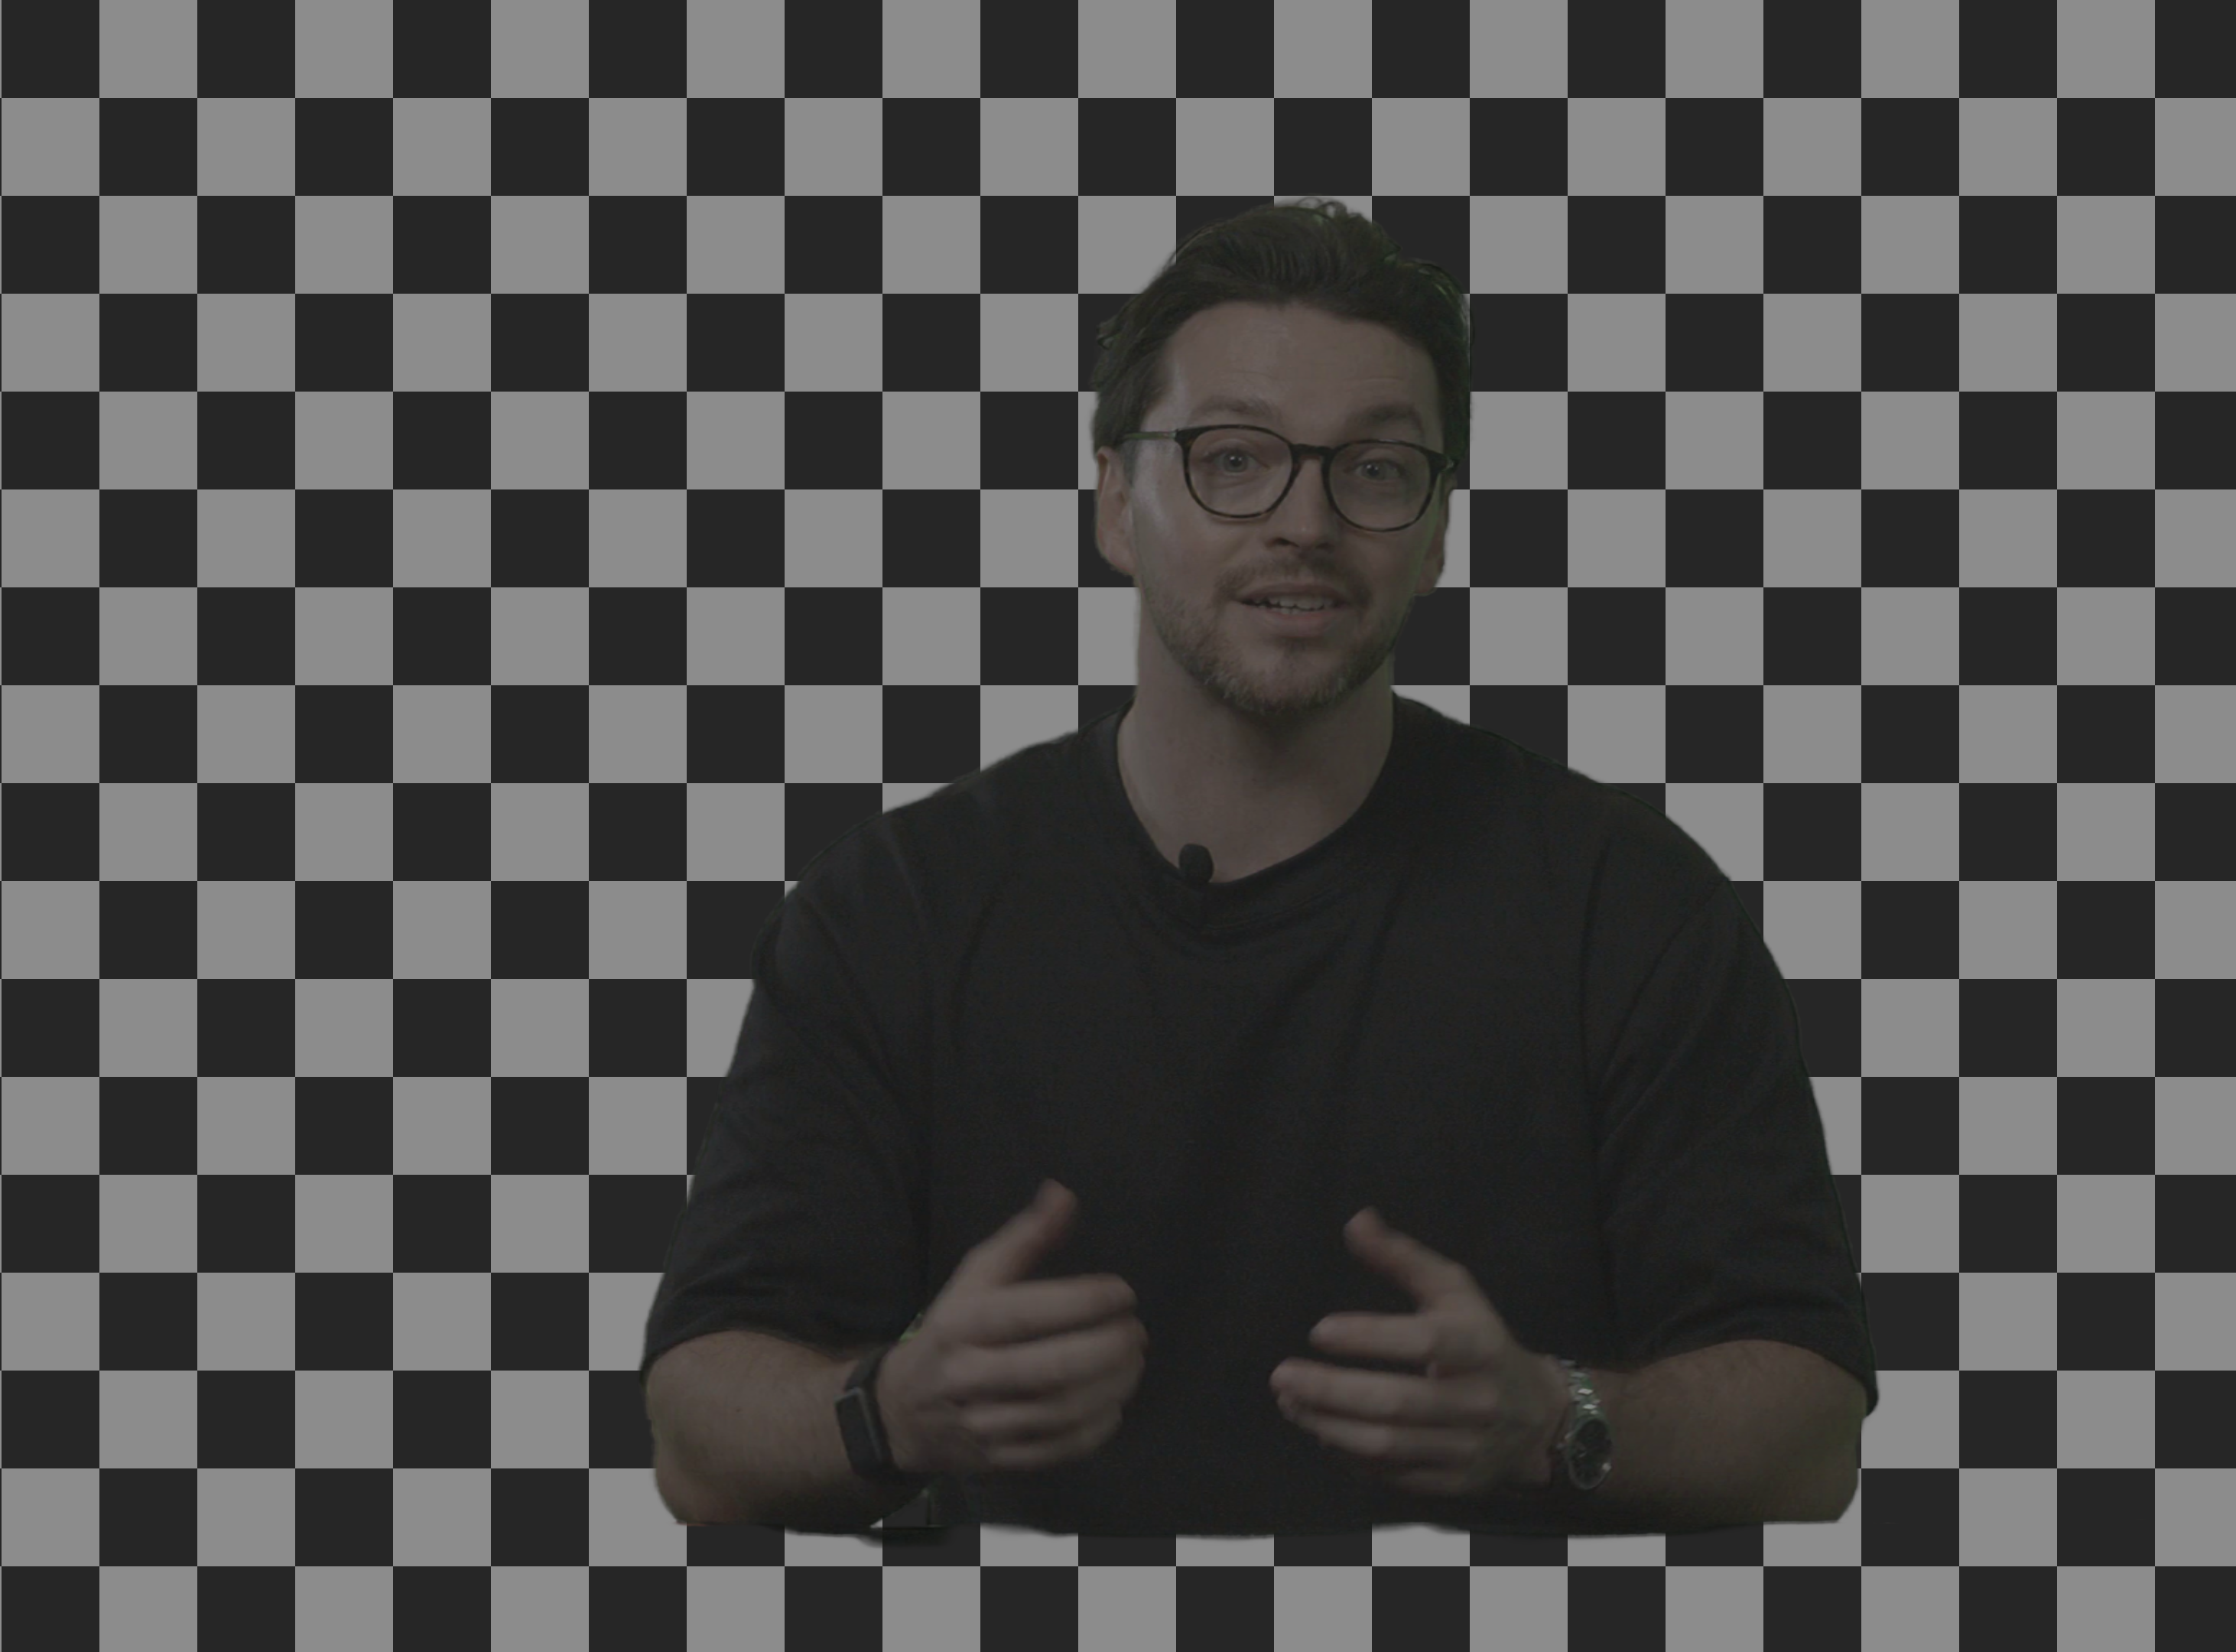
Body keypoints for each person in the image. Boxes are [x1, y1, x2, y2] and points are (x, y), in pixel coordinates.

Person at [640, 200, 1875, 1537]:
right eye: (1233, 460)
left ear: (1437, 531)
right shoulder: (896, 909)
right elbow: (698, 1438)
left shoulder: (1628, 907)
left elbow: (1812, 1437)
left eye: (1377, 469)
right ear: (1118, 501)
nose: (1306, 521)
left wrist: (1555, 1420)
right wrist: (892, 1410)